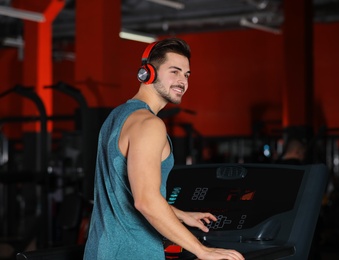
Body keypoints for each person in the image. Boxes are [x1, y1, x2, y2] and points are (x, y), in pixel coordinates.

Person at [83, 38, 244, 260]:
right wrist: (202, 250)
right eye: (174, 72)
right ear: (147, 73)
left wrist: (180, 215)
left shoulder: (117, 117)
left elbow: (126, 192)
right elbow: (146, 201)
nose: (182, 81)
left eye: (186, 75)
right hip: (134, 253)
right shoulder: (150, 124)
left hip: (102, 251)